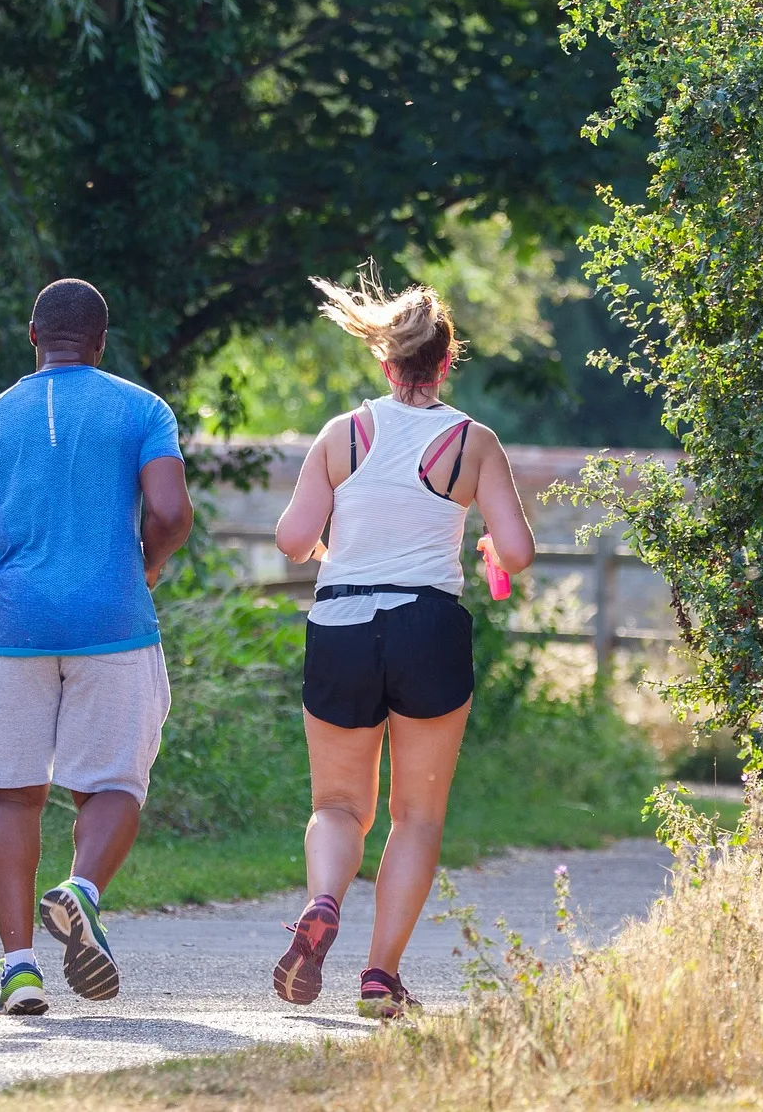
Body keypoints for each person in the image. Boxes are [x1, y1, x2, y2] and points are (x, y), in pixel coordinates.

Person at [272, 270, 535, 1020]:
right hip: (427, 627)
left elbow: (294, 539)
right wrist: (486, 544)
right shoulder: (472, 441)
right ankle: (379, 978)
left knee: (337, 804)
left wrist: (336, 550)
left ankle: (323, 900)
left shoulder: (342, 433)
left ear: (386, 364)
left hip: (342, 626)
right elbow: (514, 553)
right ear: (448, 362)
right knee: (415, 818)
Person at [0, 278, 193, 1016]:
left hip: (14, 630)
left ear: (32, 336)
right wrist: (145, 565)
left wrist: (1, 571)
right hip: (113, 623)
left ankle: (18, 970)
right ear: (101, 341)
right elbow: (171, 511)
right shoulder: (142, 409)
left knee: (13, 795)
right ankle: (79, 890)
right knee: (111, 785)